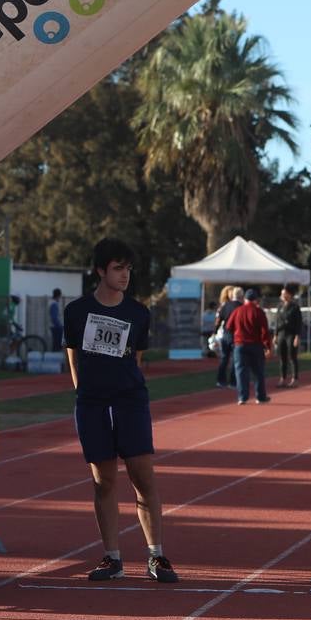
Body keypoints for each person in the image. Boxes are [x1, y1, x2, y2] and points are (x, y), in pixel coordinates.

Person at [63, 238, 179, 583]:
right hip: (92, 404)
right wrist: (84, 392)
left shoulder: (138, 313)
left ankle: (156, 556)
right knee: (103, 482)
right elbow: (73, 355)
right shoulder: (76, 311)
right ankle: (112, 558)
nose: (125, 275)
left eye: (128, 268)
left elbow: (137, 359)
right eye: (118, 268)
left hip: (130, 401)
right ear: (100, 270)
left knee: (143, 477)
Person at [227, 288, 273, 404]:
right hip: (255, 345)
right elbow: (264, 331)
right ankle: (260, 396)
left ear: (245, 299)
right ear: (256, 300)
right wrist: (267, 346)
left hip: (240, 344)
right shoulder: (258, 312)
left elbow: (229, 327)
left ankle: (242, 397)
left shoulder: (237, 311)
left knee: (241, 371)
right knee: (258, 371)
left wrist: (233, 340)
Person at [276, 283, 304, 387]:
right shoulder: (279, 306)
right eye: (282, 293)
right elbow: (277, 321)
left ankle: (295, 379)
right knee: (282, 358)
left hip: (291, 334)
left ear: (289, 294)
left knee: (292, 357)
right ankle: (282, 378)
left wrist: (297, 336)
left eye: (284, 293)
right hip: (281, 334)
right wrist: (275, 335)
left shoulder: (295, 307)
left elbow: (299, 322)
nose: (282, 295)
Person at [215, 286, 241, 388]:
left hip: (226, 334)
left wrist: (215, 331)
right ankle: (233, 382)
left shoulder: (225, 306)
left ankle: (220, 380)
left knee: (224, 358)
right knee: (235, 359)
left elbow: (218, 320)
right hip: (236, 335)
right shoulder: (240, 307)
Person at [48, 288, 65, 352]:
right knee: (57, 343)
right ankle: (55, 356)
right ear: (58, 295)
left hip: (54, 326)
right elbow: (54, 317)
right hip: (56, 326)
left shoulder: (52, 303)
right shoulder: (54, 304)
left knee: (56, 342)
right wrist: (60, 326)